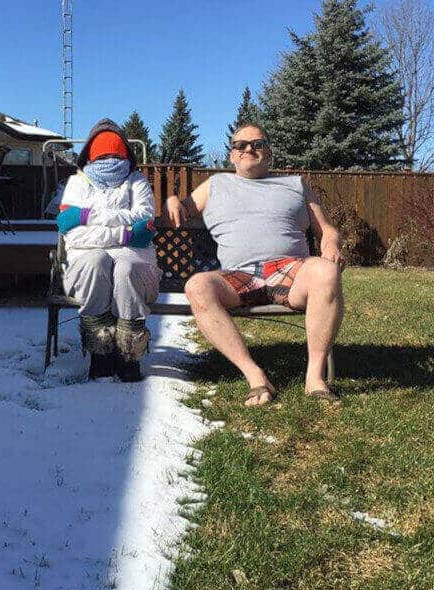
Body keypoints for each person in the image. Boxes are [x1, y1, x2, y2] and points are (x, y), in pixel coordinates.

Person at [166, 124, 343, 406]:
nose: (249, 149)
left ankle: (314, 377)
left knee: (326, 271)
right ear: (232, 155)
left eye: (257, 144)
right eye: (240, 145)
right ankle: (255, 375)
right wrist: (173, 199)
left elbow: (327, 229)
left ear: (269, 153)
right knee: (197, 286)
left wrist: (331, 243)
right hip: (238, 276)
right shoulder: (215, 185)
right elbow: (182, 209)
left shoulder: (295, 184)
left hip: (292, 270)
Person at [57, 119, 161, 381]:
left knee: (128, 267)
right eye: (104, 153)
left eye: (115, 152)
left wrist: (87, 216)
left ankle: (129, 355)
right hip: (87, 257)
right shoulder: (78, 183)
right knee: (95, 261)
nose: (110, 158)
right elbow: (71, 232)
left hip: (135, 258)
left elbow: (144, 222)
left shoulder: (137, 181)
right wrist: (124, 232)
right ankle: (100, 355)